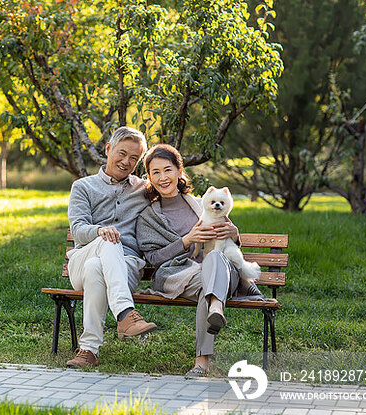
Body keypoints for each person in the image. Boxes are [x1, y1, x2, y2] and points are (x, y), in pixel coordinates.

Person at [135, 144, 261, 378]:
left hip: (223, 270)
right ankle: (206, 343)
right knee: (208, 286)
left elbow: (229, 238)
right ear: (149, 178)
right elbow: (152, 258)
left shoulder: (201, 203)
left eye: (168, 170)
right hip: (180, 274)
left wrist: (234, 233)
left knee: (213, 259)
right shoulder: (148, 217)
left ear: (179, 171)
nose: (163, 177)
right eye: (156, 172)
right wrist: (186, 240)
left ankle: (213, 312)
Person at [65, 126, 158, 368]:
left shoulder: (144, 190)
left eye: (134, 158)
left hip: (125, 266)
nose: (127, 162)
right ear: (108, 149)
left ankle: (89, 350)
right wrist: (99, 230)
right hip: (82, 261)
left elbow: (179, 193)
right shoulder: (83, 187)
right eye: (122, 153)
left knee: (99, 267)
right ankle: (125, 314)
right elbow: (78, 231)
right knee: (104, 246)